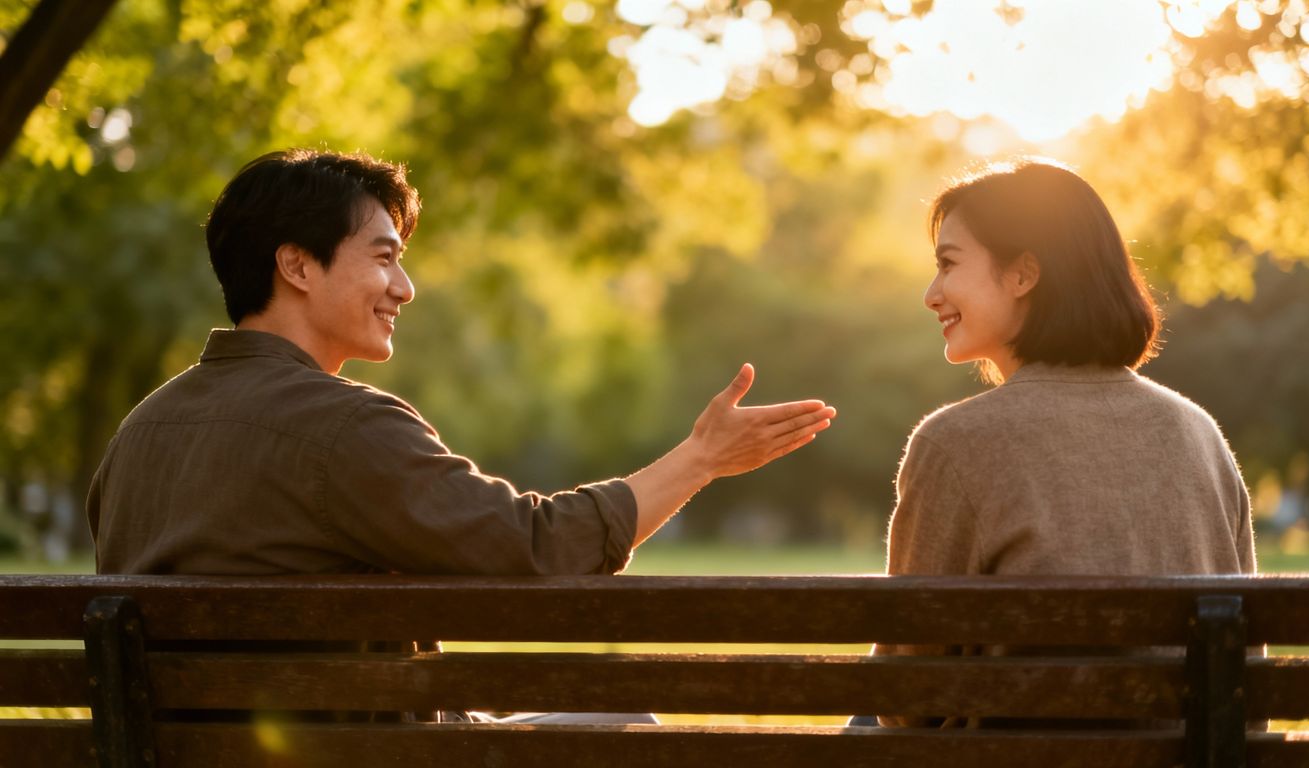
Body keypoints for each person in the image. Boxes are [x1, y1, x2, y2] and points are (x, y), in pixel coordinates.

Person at [84, 149, 835, 724]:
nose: (405, 288)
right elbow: (538, 549)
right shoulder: (346, 428)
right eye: (384, 257)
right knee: (622, 724)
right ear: (297, 266)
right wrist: (700, 459)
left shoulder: (139, 433)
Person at [872, 158, 1254, 728]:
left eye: (948, 264)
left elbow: (905, 697)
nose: (931, 294)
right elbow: (1242, 683)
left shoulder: (954, 444)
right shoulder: (1199, 434)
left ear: (1023, 274)